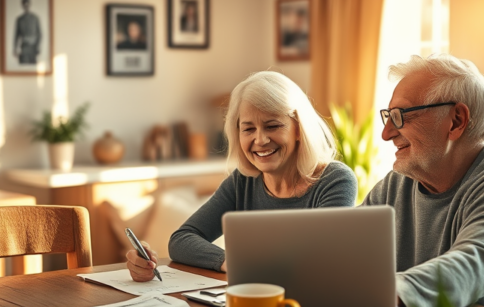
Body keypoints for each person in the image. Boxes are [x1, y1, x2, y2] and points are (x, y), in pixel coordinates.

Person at [364, 54, 484, 307]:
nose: (386, 133)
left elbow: (472, 265)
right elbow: (346, 252)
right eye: (387, 116)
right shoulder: (394, 187)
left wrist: (393, 291)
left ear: (455, 121)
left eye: (400, 116)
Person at [126, 71, 359, 281]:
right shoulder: (242, 182)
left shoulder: (335, 181)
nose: (260, 140)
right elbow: (182, 239)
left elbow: (320, 260)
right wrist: (234, 263)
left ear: (298, 128)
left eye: (272, 126)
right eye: (248, 129)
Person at [14, 0, 41, 64]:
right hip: (24, 47)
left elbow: (39, 34)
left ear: (30, 4)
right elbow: (17, 35)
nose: (26, 6)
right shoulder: (20, 19)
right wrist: (15, 48)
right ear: (22, 6)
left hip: (33, 47)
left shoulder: (35, 18)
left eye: (27, 4)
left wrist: (38, 46)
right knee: (23, 65)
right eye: (24, 5)